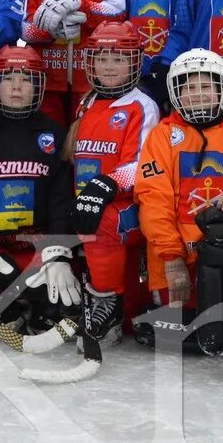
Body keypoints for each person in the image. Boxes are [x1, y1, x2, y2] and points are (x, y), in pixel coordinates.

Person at [133, 50, 223, 315]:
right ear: (175, 92)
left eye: (205, 86)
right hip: (175, 257)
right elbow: (153, 200)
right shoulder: (162, 137)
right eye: (188, 87)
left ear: (222, 88)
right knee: (177, 322)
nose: (197, 94)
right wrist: (172, 258)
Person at [0, 45, 76, 338]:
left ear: (39, 86)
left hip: (38, 251)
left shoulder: (54, 134)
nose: (18, 87)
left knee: (58, 302)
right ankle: (9, 306)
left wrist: (60, 252)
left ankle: (30, 304)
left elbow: (62, 200)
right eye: (9, 79)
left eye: (27, 79)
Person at [67, 22, 159, 346]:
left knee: (102, 220)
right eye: (102, 57)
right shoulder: (87, 102)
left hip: (130, 207)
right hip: (94, 203)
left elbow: (141, 165)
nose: (108, 65)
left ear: (135, 62)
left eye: (118, 58)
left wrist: (104, 186)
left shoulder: (142, 105)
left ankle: (107, 305)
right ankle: (104, 302)